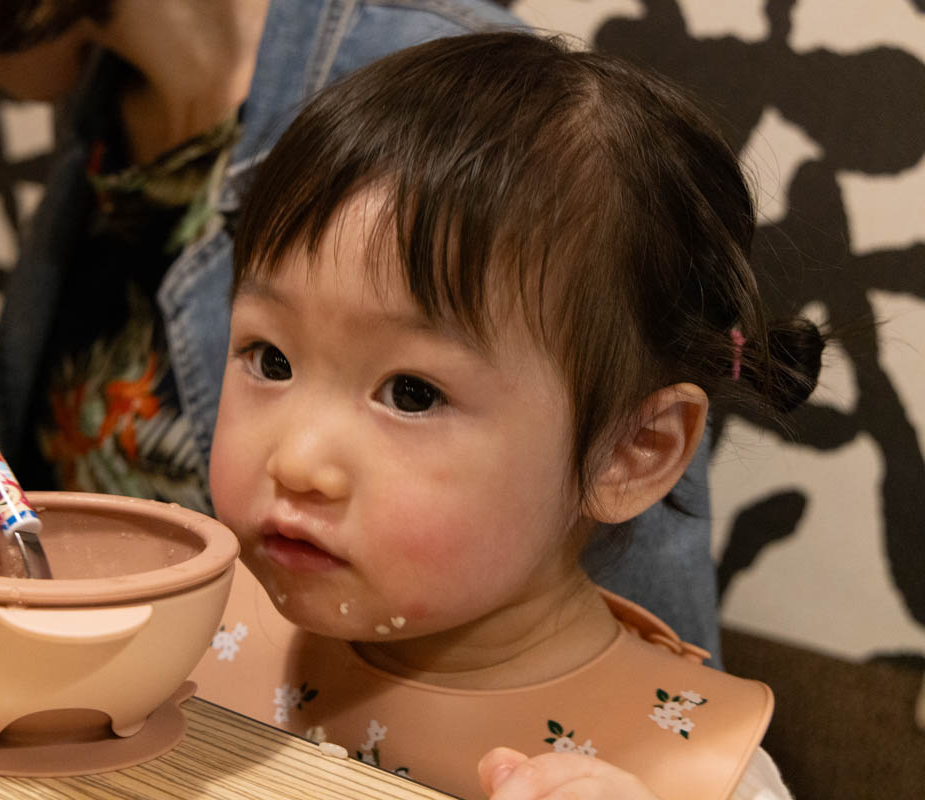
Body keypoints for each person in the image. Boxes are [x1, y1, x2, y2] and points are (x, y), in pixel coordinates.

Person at [0, 2, 720, 657]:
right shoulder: (107, 124)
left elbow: (639, 672)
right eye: (270, 360)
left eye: (410, 392)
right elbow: (44, 635)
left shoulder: (469, 115)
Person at [186, 31, 823, 800]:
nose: (296, 460)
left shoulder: (695, 770)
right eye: (270, 359)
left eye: (413, 393)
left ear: (631, 451)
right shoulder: (185, 632)